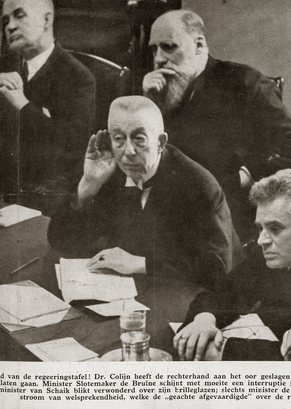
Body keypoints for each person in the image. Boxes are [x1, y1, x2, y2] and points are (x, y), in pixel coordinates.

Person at [142, 9, 291, 241]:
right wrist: (150, 104)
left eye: (169, 46)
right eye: (154, 49)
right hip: (170, 215)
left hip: (229, 218)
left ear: (199, 45)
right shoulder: (161, 92)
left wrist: (243, 178)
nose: (159, 58)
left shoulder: (244, 82)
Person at [47, 96, 242, 289]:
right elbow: (60, 240)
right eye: (119, 139)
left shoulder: (199, 186)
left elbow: (217, 270)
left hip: (198, 299)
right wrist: (87, 186)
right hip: (134, 291)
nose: (128, 151)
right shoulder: (107, 171)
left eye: (139, 139)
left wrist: (140, 264)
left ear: (161, 142)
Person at [0, 0, 95, 214]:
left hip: (37, 197)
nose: (10, 26)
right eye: (5, 20)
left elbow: (69, 153)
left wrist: (22, 105)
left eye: (19, 15)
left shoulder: (78, 78)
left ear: (47, 19)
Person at [174, 169, 291, 361]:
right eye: (260, 228)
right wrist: (204, 318)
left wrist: (222, 350)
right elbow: (224, 291)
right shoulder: (282, 249)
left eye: (275, 228)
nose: (261, 240)